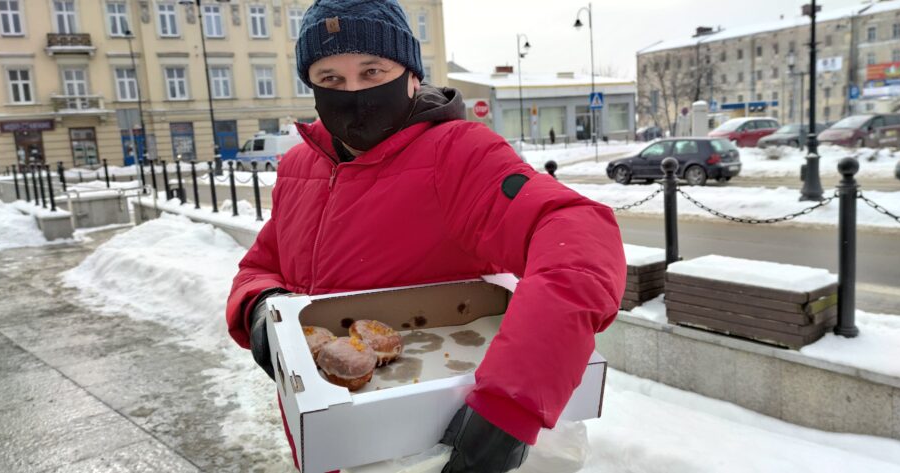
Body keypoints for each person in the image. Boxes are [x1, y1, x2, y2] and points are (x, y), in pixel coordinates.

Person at [225, 1, 625, 471]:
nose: (353, 94)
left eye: (372, 72)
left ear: (411, 75)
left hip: (426, 444)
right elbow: (264, 263)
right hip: (324, 435)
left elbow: (577, 235)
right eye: (330, 78)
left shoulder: (459, 154)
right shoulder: (300, 166)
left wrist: (512, 403)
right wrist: (259, 307)